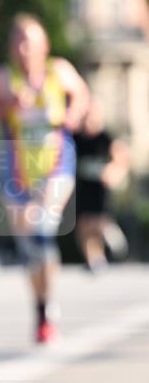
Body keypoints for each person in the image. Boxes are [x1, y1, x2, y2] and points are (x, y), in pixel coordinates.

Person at [0, 14, 89, 342]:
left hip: (56, 165)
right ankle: (42, 307)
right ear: (12, 47)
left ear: (44, 46)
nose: (25, 48)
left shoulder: (59, 71)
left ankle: (46, 304)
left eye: (31, 41)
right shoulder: (1, 79)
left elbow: (81, 95)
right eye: (19, 41)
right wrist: (6, 105)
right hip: (15, 172)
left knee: (41, 230)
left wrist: (74, 113)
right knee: (31, 247)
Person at [74, 99, 130, 271]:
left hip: (101, 189)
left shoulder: (106, 138)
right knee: (84, 226)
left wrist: (114, 172)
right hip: (84, 188)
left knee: (98, 223)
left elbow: (123, 158)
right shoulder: (77, 138)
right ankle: (95, 260)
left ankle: (111, 236)